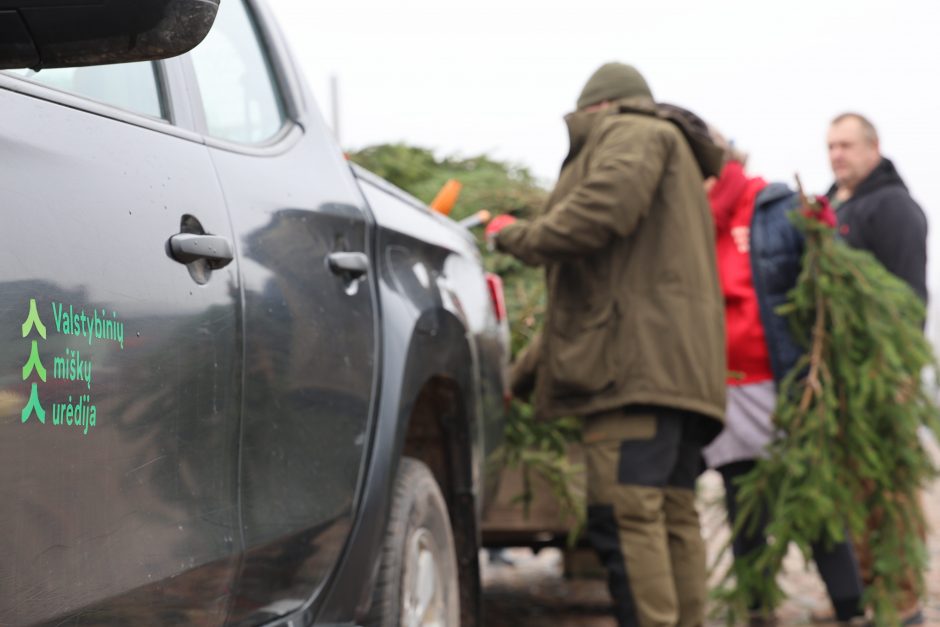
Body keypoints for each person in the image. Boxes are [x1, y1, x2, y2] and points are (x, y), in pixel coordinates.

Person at [486, 62, 726, 627]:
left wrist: (514, 236)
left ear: (596, 108)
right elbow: (597, 300)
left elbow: (600, 210)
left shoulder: (633, 130)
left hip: (632, 378)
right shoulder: (672, 156)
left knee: (627, 519)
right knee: (670, 516)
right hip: (675, 376)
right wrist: (519, 378)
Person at [699, 127, 867, 626]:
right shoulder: (693, 221)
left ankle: (849, 606)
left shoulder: (773, 207)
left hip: (784, 383)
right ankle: (756, 605)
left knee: (813, 498)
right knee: (743, 500)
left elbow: (822, 282)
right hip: (727, 389)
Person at [826, 112, 928, 625]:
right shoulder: (832, 207)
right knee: (851, 488)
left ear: (873, 147)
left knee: (888, 491)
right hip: (839, 377)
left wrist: (900, 372)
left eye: (846, 145)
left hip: (881, 375)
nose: (836, 155)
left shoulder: (893, 208)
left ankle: (902, 595)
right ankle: (863, 589)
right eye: (831, 146)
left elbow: (910, 296)